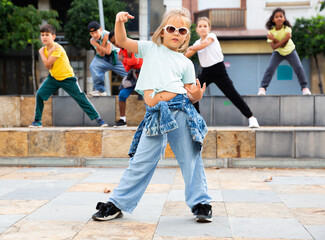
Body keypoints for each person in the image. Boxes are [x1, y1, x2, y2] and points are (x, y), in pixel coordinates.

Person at [92, 9, 213, 223]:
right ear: (163, 32)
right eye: (171, 28)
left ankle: (200, 203)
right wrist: (119, 21)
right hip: (156, 114)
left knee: (190, 158)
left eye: (182, 30)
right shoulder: (150, 48)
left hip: (181, 110)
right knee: (141, 160)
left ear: (186, 36)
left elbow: (190, 92)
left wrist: (196, 96)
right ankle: (117, 203)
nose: (176, 33)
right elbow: (121, 40)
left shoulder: (185, 62)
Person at [185, 17, 259, 128]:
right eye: (200, 26)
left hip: (219, 70)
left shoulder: (212, 36)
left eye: (205, 26)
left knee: (232, 94)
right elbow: (187, 54)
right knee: (192, 92)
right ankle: (197, 120)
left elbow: (202, 46)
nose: (203, 28)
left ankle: (251, 118)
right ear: (196, 29)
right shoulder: (196, 43)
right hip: (206, 72)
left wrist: (191, 47)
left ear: (209, 28)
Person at [29, 24, 108, 128]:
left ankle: (99, 119)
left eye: (47, 34)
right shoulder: (44, 50)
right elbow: (49, 66)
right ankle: (37, 121)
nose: (44, 37)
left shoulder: (58, 48)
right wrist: (44, 54)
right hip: (53, 78)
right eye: (42, 35)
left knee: (80, 98)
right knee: (40, 94)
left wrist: (42, 54)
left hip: (67, 78)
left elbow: (47, 65)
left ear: (53, 36)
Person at [258, 8, 311, 96]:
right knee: (270, 68)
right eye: (276, 17)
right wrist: (284, 38)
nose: (279, 18)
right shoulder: (271, 32)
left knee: (299, 68)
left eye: (281, 16)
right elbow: (274, 47)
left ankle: (304, 88)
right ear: (273, 20)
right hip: (277, 52)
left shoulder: (287, 29)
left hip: (290, 51)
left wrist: (274, 39)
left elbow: (283, 45)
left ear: (284, 18)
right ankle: (262, 88)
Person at [88, 21, 127, 96]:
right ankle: (100, 90)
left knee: (129, 72)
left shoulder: (107, 34)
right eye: (92, 34)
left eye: (96, 32)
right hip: (103, 58)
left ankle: (141, 87)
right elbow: (101, 54)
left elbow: (108, 51)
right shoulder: (92, 40)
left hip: (116, 56)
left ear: (100, 29)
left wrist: (98, 44)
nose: (95, 35)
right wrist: (100, 43)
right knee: (94, 66)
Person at [115, 43, 143, 127]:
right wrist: (127, 60)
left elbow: (136, 61)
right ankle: (122, 120)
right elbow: (127, 68)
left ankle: (152, 120)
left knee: (148, 96)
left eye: (116, 41)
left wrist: (123, 60)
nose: (116, 44)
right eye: (113, 43)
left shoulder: (131, 46)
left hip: (143, 73)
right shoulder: (120, 53)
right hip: (132, 74)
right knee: (122, 94)